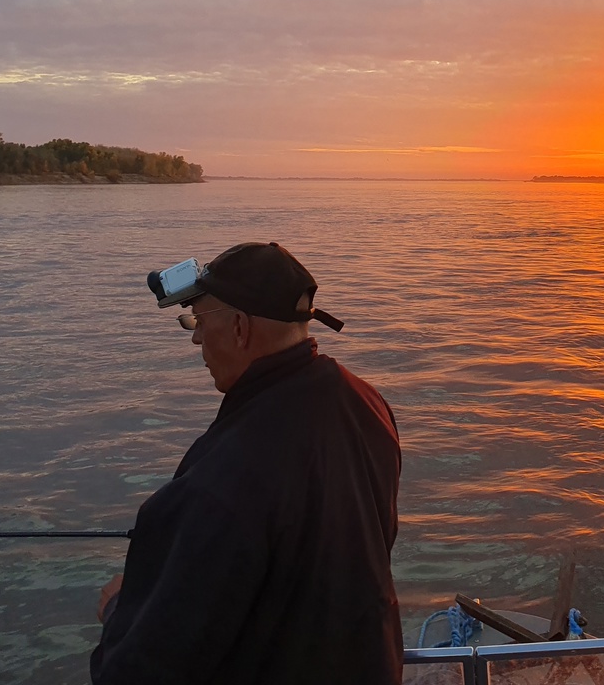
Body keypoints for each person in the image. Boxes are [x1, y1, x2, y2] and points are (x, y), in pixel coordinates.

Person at [91, 242, 402, 684]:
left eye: (198, 320)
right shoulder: (367, 404)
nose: (196, 337)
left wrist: (121, 610)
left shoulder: (225, 475)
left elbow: (142, 668)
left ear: (239, 327)